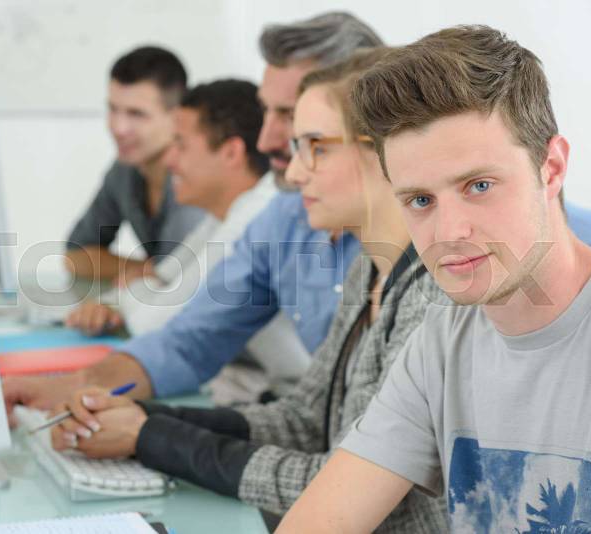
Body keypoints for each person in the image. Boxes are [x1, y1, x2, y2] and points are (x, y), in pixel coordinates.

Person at [3, 13, 591, 414]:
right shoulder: (287, 222)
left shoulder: (468, 240)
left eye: (297, 124)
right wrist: (82, 391)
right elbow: (190, 341)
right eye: (273, 118)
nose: (268, 141)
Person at [279, 26, 591, 533]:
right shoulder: (441, 341)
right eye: (421, 200)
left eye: (479, 185)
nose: (448, 232)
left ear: (551, 168)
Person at [50, 48, 449, 532]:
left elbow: (341, 488)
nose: (294, 171)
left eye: (316, 147)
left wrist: (151, 437)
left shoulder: (431, 297)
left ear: (382, 151)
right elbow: (305, 420)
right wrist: (145, 419)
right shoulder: (370, 269)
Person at [65, 79, 275, 338]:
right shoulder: (219, 219)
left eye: (181, 145)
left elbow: (155, 322)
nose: (168, 159)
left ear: (231, 153)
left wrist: (137, 290)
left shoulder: (254, 220)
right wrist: (113, 303)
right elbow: (165, 278)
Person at [65, 46, 205, 285]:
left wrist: (157, 274)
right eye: (113, 109)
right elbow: (76, 257)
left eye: (137, 114)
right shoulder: (126, 169)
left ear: (177, 116)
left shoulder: (199, 180)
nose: (118, 128)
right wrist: (148, 271)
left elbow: (184, 281)